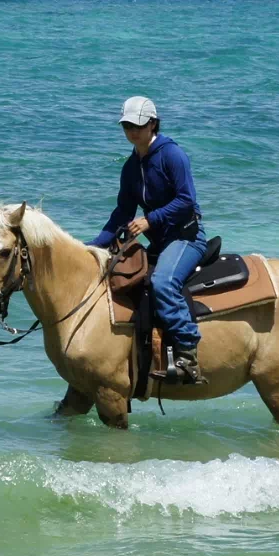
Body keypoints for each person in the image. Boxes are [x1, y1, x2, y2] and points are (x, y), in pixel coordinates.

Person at [90, 96, 209, 384]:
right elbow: (123, 212)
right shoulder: (131, 167)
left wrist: (150, 220)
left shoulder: (172, 155)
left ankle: (188, 355)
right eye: (126, 126)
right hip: (158, 242)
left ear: (153, 124)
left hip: (186, 237)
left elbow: (186, 200)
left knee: (162, 282)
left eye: (138, 125)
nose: (132, 132)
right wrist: (93, 248)